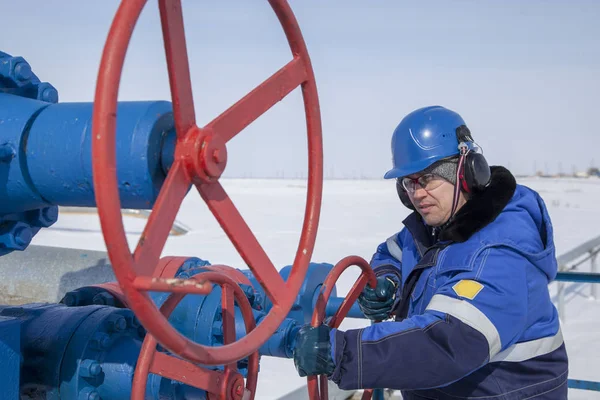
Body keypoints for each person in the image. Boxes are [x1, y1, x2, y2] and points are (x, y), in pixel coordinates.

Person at [293, 106, 568, 399]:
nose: (417, 194)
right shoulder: (435, 227)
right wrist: (388, 280)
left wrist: (341, 352)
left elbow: (452, 341)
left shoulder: (502, 250)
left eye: (428, 178)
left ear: (467, 173)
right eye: (409, 183)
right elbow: (393, 252)